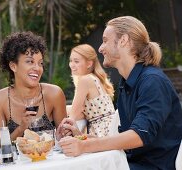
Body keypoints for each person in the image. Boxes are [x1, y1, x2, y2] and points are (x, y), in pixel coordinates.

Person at [58, 16, 182, 170]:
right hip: (129, 162)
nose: (100, 48)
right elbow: (125, 139)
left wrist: (85, 146)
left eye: (105, 40)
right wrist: (85, 138)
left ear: (123, 40)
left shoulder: (152, 81)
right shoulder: (127, 83)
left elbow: (139, 135)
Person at [0, 31, 67, 141]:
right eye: (30, 62)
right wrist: (21, 128)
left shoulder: (54, 94)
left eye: (40, 63)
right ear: (13, 66)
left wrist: (67, 132)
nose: (37, 68)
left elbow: (66, 139)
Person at [68, 44, 119, 137]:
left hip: (101, 132)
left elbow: (73, 114)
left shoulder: (85, 80)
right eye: (71, 61)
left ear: (89, 64)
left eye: (76, 61)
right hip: (112, 129)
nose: (72, 65)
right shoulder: (95, 79)